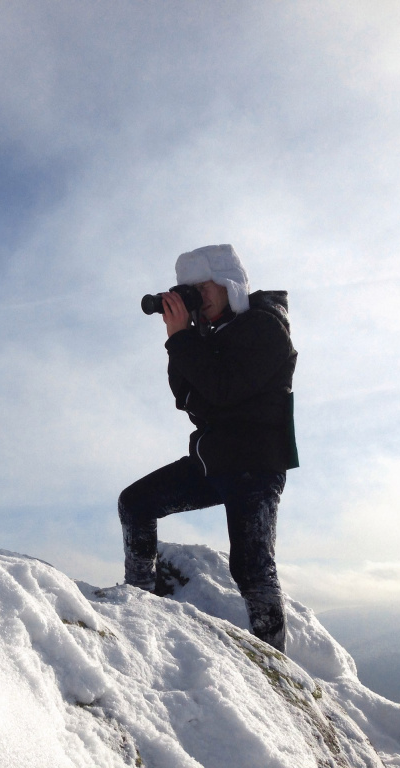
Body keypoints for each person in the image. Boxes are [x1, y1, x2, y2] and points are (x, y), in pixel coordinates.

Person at [118, 244, 298, 652]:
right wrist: (182, 337)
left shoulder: (266, 326)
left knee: (252, 567)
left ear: (230, 282)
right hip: (213, 461)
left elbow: (220, 390)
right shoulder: (210, 336)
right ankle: (140, 601)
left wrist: (185, 341)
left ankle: (275, 661)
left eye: (204, 286)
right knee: (136, 503)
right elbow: (186, 396)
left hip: (255, 464)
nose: (199, 295)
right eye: (190, 289)